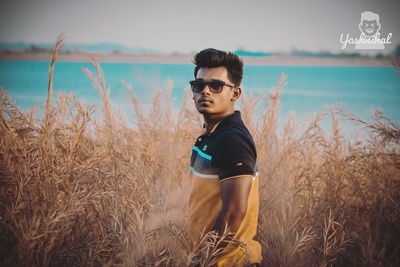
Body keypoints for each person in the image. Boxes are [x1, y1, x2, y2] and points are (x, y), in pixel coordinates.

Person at [188, 48, 262, 266]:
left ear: (235, 93)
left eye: (216, 85)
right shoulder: (211, 135)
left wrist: (205, 259)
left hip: (230, 262)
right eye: (198, 85)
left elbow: (234, 211)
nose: (206, 92)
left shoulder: (232, 140)